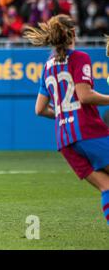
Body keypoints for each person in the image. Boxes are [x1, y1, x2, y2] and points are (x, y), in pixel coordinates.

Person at [25, 15, 109, 225]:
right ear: (72, 33)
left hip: (64, 141)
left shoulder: (48, 66)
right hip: (88, 131)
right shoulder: (79, 57)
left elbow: (39, 109)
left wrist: (64, 113)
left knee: (106, 186)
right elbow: (85, 96)